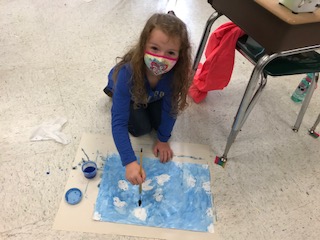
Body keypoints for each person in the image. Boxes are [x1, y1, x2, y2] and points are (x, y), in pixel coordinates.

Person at [103, 12, 192, 185]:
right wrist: (129, 162)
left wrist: (163, 140)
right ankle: (113, 92)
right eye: (155, 48)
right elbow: (119, 121)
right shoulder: (127, 73)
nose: (160, 58)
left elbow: (171, 110)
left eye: (171, 52)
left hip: (149, 94)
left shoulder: (175, 75)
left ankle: (148, 98)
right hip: (127, 89)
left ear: (180, 55)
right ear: (143, 44)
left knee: (161, 125)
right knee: (141, 128)